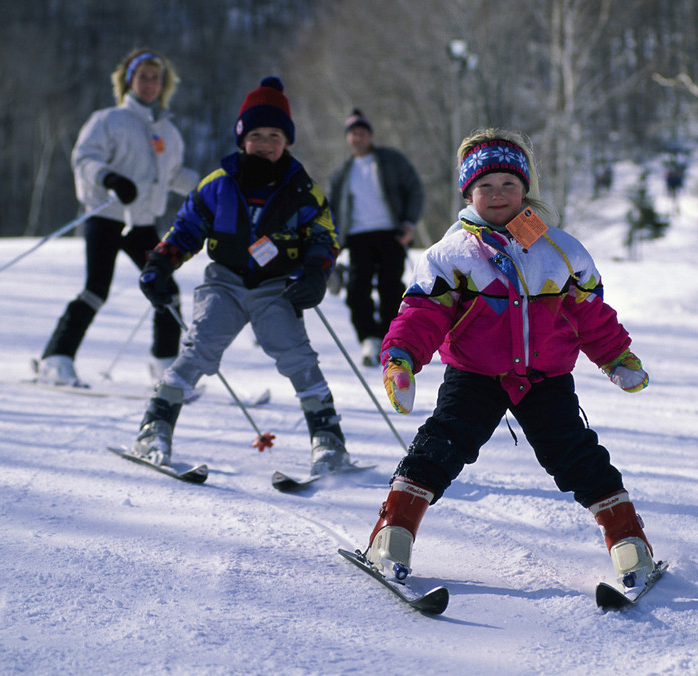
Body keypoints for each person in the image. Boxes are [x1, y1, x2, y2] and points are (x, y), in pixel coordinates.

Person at [358, 128, 657, 591]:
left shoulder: (560, 250)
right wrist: (401, 359)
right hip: (474, 375)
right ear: (468, 192)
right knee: (441, 445)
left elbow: (590, 314)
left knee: (575, 453)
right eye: (485, 187)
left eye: (508, 185)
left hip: (545, 378)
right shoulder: (451, 255)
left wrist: (616, 355)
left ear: (525, 190)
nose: (497, 195)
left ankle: (628, 540)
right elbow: (422, 314)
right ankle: (393, 531)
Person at [130, 77, 349, 474]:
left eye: (275, 134)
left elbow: (324, 237)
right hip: (225, 282)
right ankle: (155, 426)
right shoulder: (217, 186)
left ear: (287, 140)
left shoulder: (303, 191)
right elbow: (185, 231)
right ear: (241, 137)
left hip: (276, 287)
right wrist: (159, 265)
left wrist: (317, 274)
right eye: (257, 134)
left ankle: (328, 439)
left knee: (296, 354)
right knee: (200, 347)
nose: (265, 142)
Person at [36, 48, 200, 386]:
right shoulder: (108, 120)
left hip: (141, 224)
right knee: (96, 289)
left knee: (165, 288)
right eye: (143, 77)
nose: (150, 84)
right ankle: (56, 359)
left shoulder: (168, 132)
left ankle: (165, 364)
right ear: (129, 81)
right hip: (107, 216)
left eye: (156, 78)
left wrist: (210, 189)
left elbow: (173, 176)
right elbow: (84, 158)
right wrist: (109, 179)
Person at [327, 109, 425, 366]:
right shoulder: (342, 173)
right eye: (353, 134)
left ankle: (392, 340)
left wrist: (408, 223)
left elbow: (414, 189)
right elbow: (331, 209)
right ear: (348, 138)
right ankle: (369, 339)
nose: (358, 138)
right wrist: (332, 242)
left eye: (362, 133)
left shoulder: (391, 160)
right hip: (357, 237)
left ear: (369, 135)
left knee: (391, 288)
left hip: (390, 233)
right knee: (357, 290)